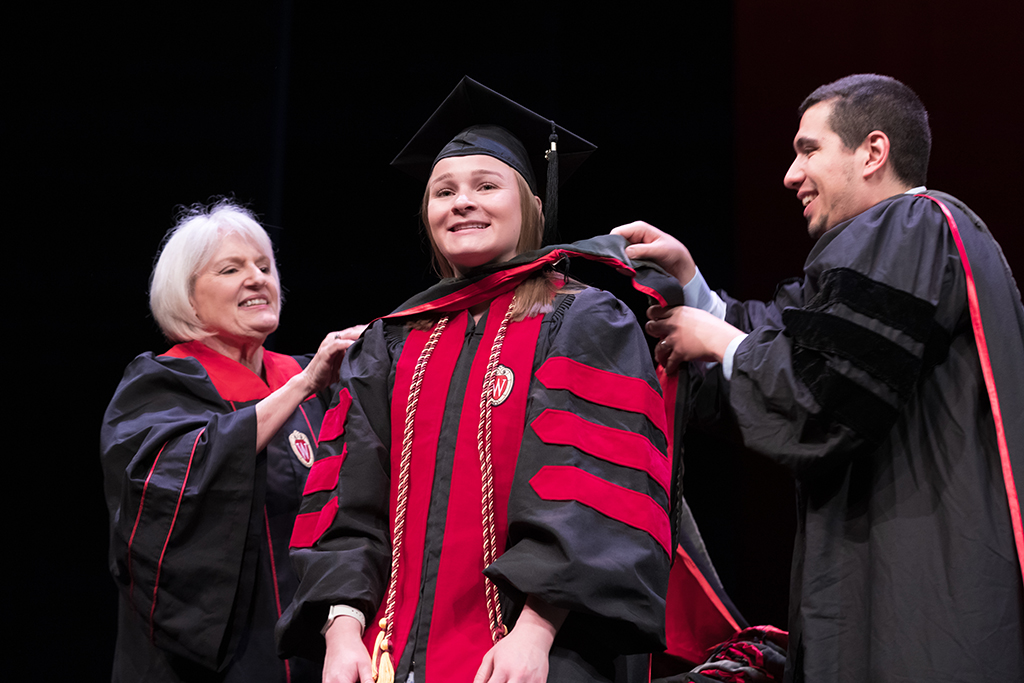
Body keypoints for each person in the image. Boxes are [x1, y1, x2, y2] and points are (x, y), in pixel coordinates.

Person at [276, 77, 735, 683]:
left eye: (486, 186)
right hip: (391, 656)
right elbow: (345, 502)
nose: (462, 202)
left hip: (535, 653)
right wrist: (341, 631)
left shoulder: (583, 320)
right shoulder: (388, 342)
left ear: (529, 205)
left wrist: (534, 633)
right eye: (444, 191)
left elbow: (594, 487)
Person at [616, 74, 1024, 680]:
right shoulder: (904, 243)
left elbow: (824, 391)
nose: (790, 173)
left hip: (921, 583)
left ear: (872, 153)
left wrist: (720, 340)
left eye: (809, 150)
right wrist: (694, 287)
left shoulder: (909, 227)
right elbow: (799, 338)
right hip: (893, 568)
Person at [101, 201, 364, 682]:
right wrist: (301, 386)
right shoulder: (161, 384)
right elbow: (169, 489)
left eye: (265, 267)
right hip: (209, 661)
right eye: (231, 268)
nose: (257, 278)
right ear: (188, 297)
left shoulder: (314, 386)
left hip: (311, 655)